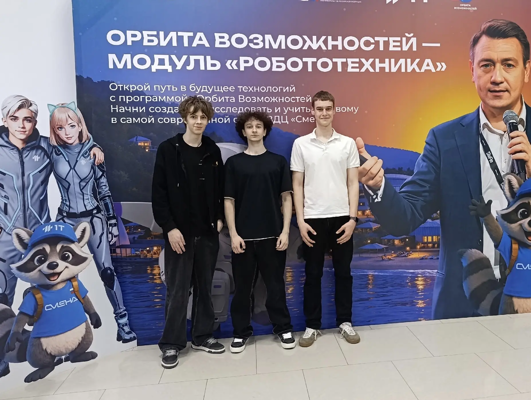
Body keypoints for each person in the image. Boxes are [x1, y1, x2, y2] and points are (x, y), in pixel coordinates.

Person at [356, 19, 531, 320]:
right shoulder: (444, 139)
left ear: (526, 70)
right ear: (472, 70)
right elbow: (405, 218)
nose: (497, 77)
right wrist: (377, 186)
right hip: (464, 306)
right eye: (487, 65)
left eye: (509, 65)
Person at [0, 95, 103, 378]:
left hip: (40, 237)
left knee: (55, 293)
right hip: (6, 235)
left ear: (35, 122)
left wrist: (94, 146)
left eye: (28, 119)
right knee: (2, 296)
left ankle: (53, 349)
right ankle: (3, 356)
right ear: (4, 120)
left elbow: (74, 143)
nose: (21, 125)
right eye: (15, 119)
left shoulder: (46, 146)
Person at [48, 102, 136, 343]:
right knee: (59, 276)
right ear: (54, 130)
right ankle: (66, 331)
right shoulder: (51, 151)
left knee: (107, 273)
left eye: (71, 125)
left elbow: (103, 189)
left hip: (94, 218)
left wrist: (111, 221)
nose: (66, 132)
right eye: (60, 128)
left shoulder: (93, 152)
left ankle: (123, 325)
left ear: (80, 126)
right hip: (65, 219)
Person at [152, 96, 225, 369]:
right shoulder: (168, 149)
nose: (198, 121)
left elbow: (221, 189)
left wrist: (219, 219)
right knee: (178, 290)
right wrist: (169, 228)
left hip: (207, 233)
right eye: (193, 116)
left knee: (205, 288)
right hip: (178, 235)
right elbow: (158, 194)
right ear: (185, 118)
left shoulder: (212, 151)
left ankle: (202, 337)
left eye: (203, 117)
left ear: (208, 120)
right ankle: (171, 344)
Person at [291, 90, 361, 347]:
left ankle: (345, 322)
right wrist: (300, 221)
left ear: (334, 110)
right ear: (313, 111)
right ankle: (312, 326)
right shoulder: (300, 144)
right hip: (313, 218)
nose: (324, 113)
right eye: (319, 108)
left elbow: (353, 183)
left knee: (344, 273)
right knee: (312, 274)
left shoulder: (347, 143)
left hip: (342, 217)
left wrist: (353, 219)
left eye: (328, 108)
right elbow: (297, 185)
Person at [224, 111, 295, 353]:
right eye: (249, 126)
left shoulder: (278, 162)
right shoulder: (234, 164)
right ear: (243, 132)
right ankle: (241, 332)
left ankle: (283, 328)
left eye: (258, 126)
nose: (254, 130)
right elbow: (229, 201)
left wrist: (285, 232)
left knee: (276, 287)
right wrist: (233, 234)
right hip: (243, 239)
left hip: (273, 237)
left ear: (265, 131)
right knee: (242, 290)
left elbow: (286, 199)